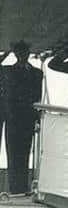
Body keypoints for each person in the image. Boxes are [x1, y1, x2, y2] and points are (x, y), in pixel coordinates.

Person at [4, 40, 42, 194]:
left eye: (24, 52)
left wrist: (37, 119)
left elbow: (37, 98)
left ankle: (22, 187)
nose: (22, 56)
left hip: (27, 119)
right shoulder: (8, 71)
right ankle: (14, 188)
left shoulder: (37, 73)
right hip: (13, 120)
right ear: (15, 54)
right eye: (19, 53)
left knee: (25, 153)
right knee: (13, 154)